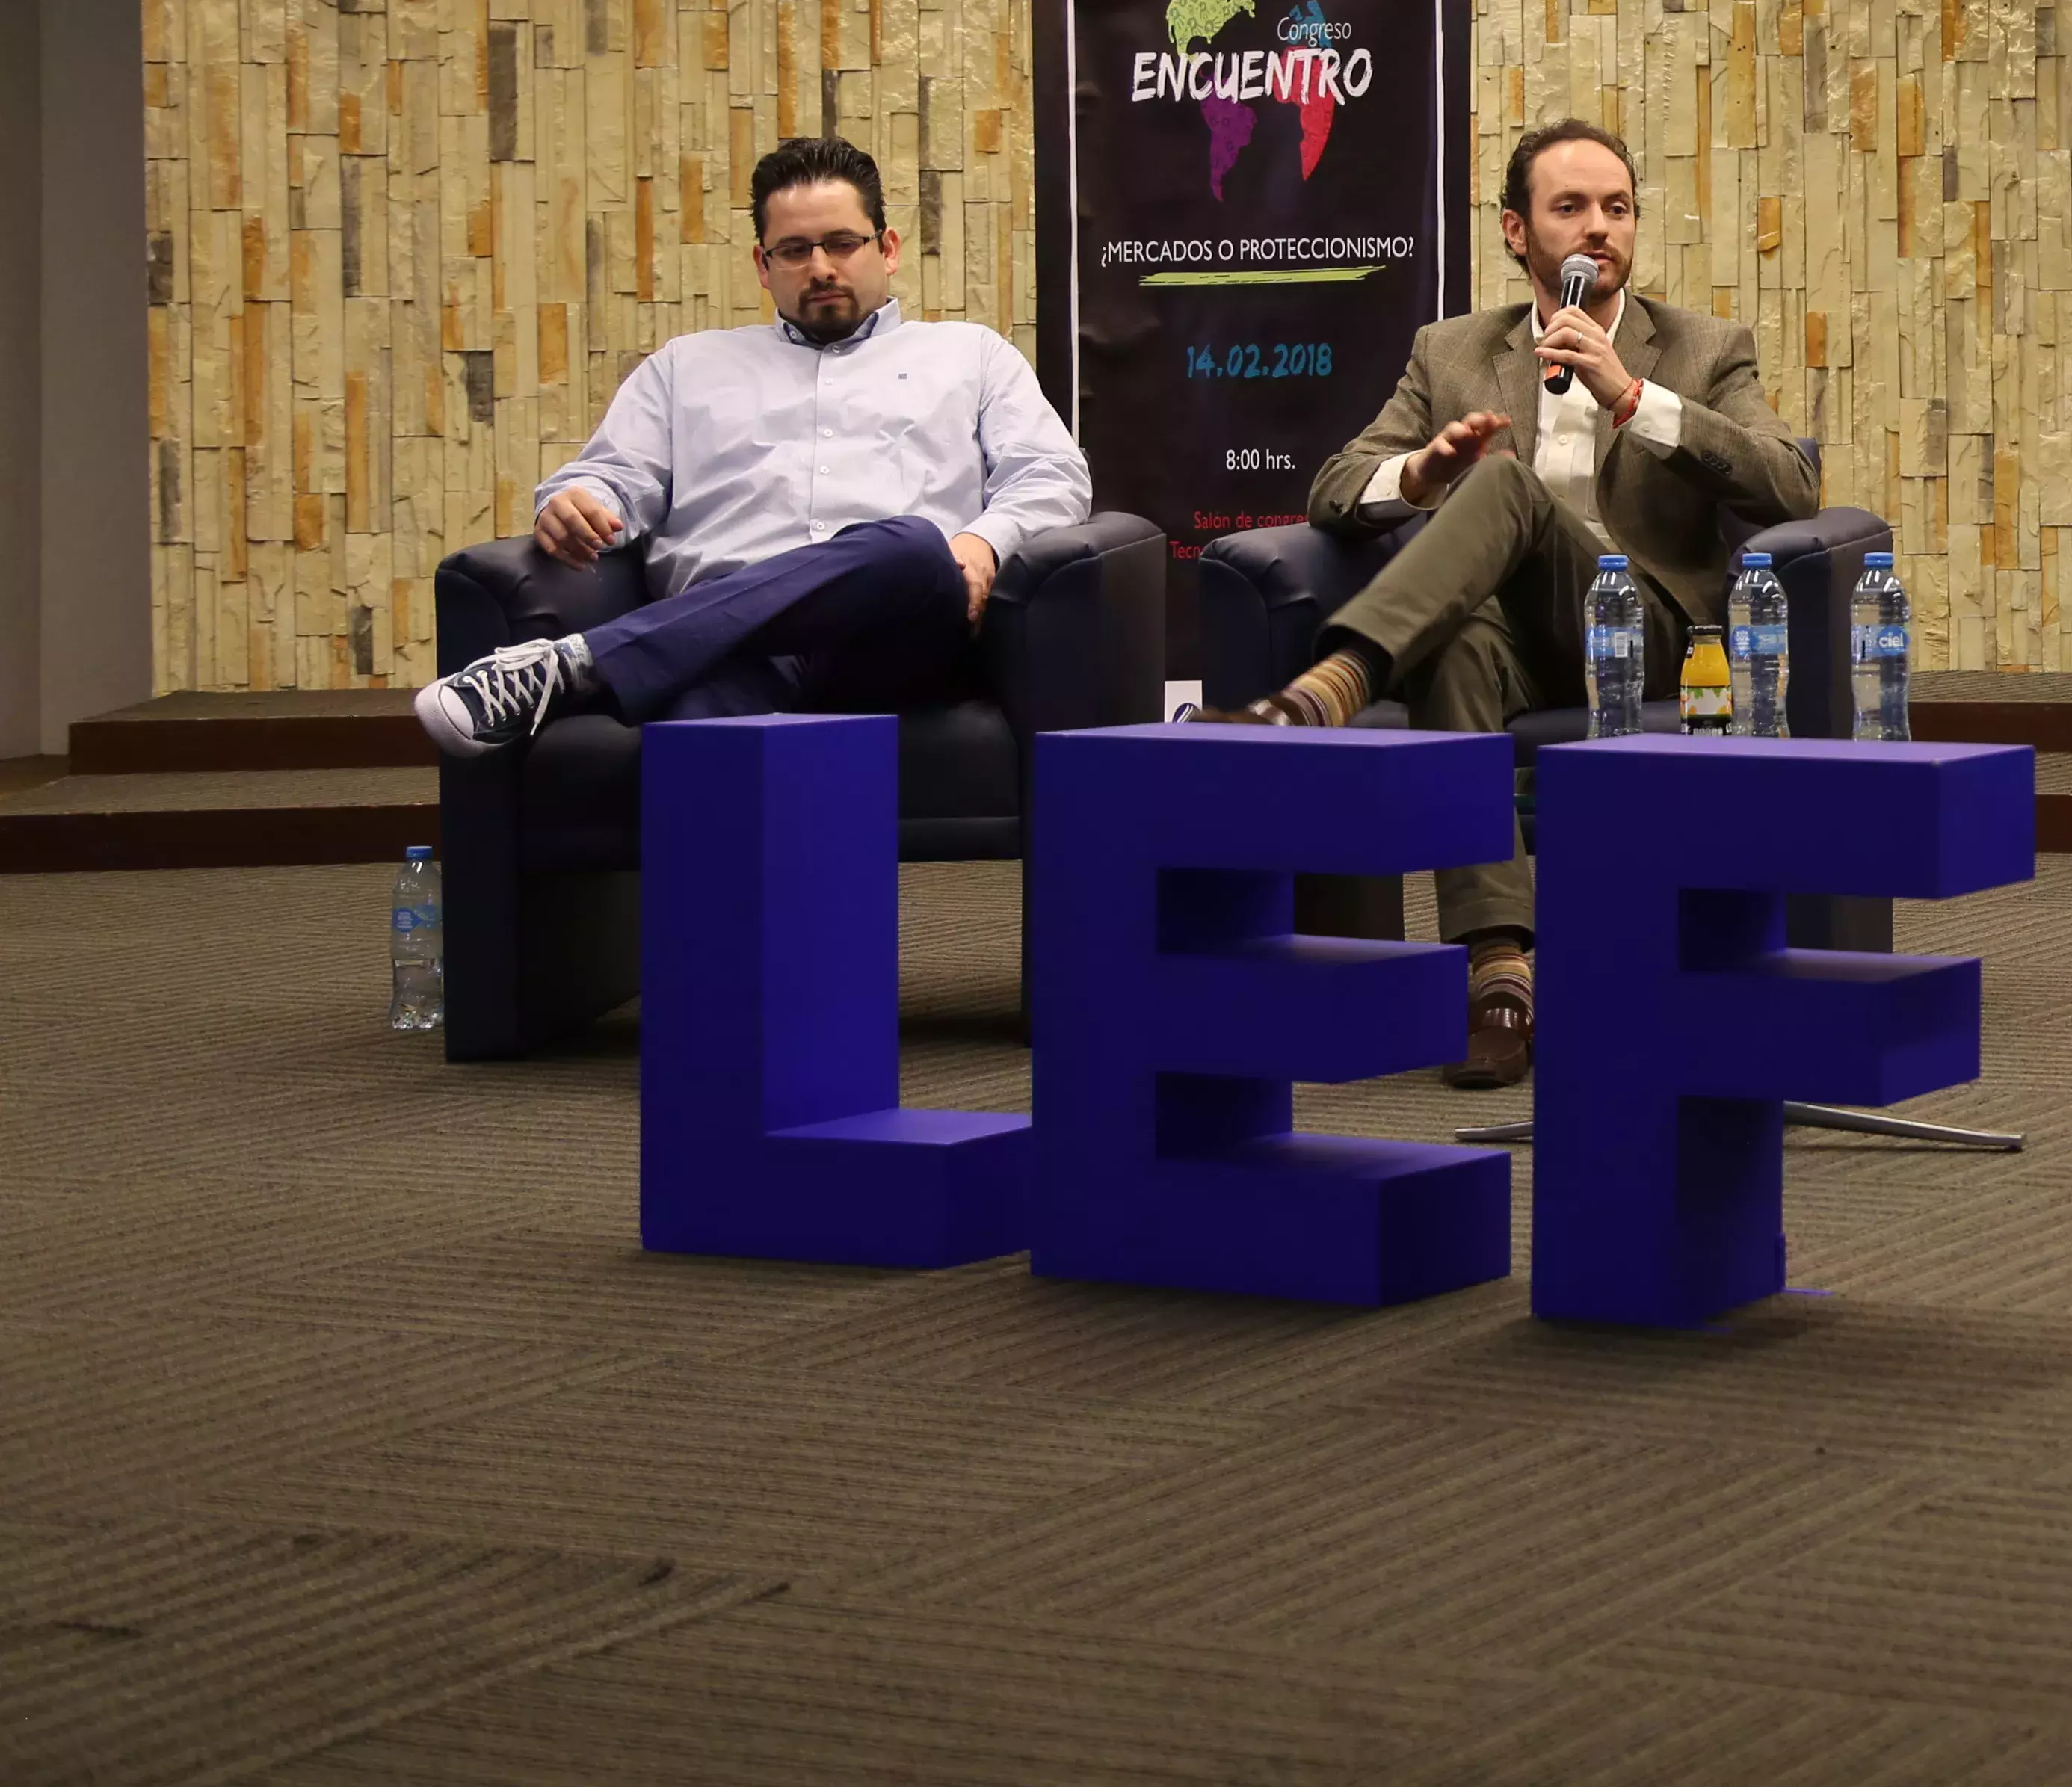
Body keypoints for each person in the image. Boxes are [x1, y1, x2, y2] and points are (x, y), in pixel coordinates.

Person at [1195, 117, 1819, 1087]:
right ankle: (1500, 974)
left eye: (1618, 208)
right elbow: (1332, 485)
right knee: (1455, 640)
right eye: (1570, 208)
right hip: (1517, 641)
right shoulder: (1451, 353)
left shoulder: (1701, 349)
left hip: (1647, 633)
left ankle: (1335, 683)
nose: (1598, 229)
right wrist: (1419, 473)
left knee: (1508, 488)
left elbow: (1788, 484)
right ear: (1517, 233)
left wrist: (1633, 397)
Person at [415, 136, 1090, 756]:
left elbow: (1054, 475)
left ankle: (578, 665)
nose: (820, 267)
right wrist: (578, 501)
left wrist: (985, 541)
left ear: (887, 248)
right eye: (795, 251)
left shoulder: (970, 355)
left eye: (842, 243)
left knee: (913, 548)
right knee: (702, 732)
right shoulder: (687, 367)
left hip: (896, 641)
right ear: (763, 266)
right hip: (729, 650)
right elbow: (613, 479)